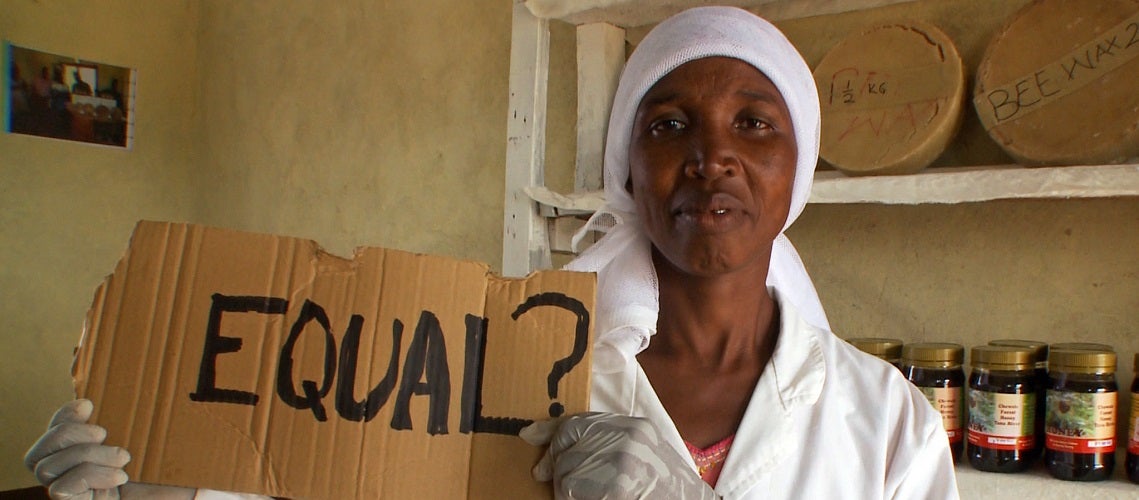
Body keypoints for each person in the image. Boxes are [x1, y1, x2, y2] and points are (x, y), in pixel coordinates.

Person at [24, 7, 958, 499]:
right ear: (626, 171)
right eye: (668, 123)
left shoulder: (887, 425)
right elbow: (350, 482)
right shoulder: (495, 362)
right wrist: (173, 485)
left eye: (753, 124)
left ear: (794, 174)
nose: (710, 154)